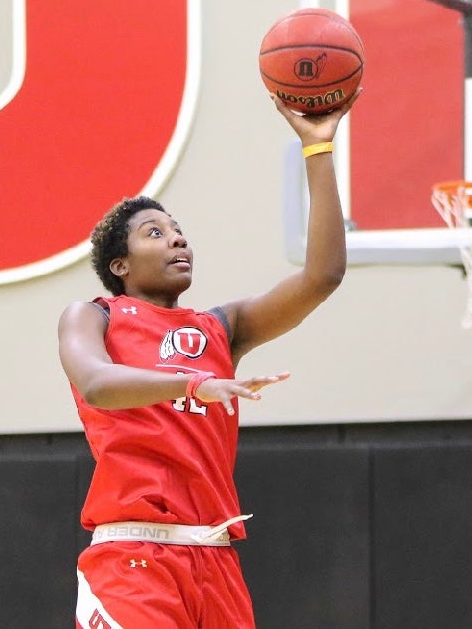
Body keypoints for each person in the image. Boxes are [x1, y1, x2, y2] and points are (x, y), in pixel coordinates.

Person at [58, 88, 360, 629]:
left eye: (180, 233)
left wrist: (318, 150)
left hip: (216, 561)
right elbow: (97, 383)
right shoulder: (94, 315)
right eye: (157, 233)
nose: (178, 242)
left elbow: (323, 276)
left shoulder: (220, 329)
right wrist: (192, 385)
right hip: (134, 559)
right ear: (121, 264)